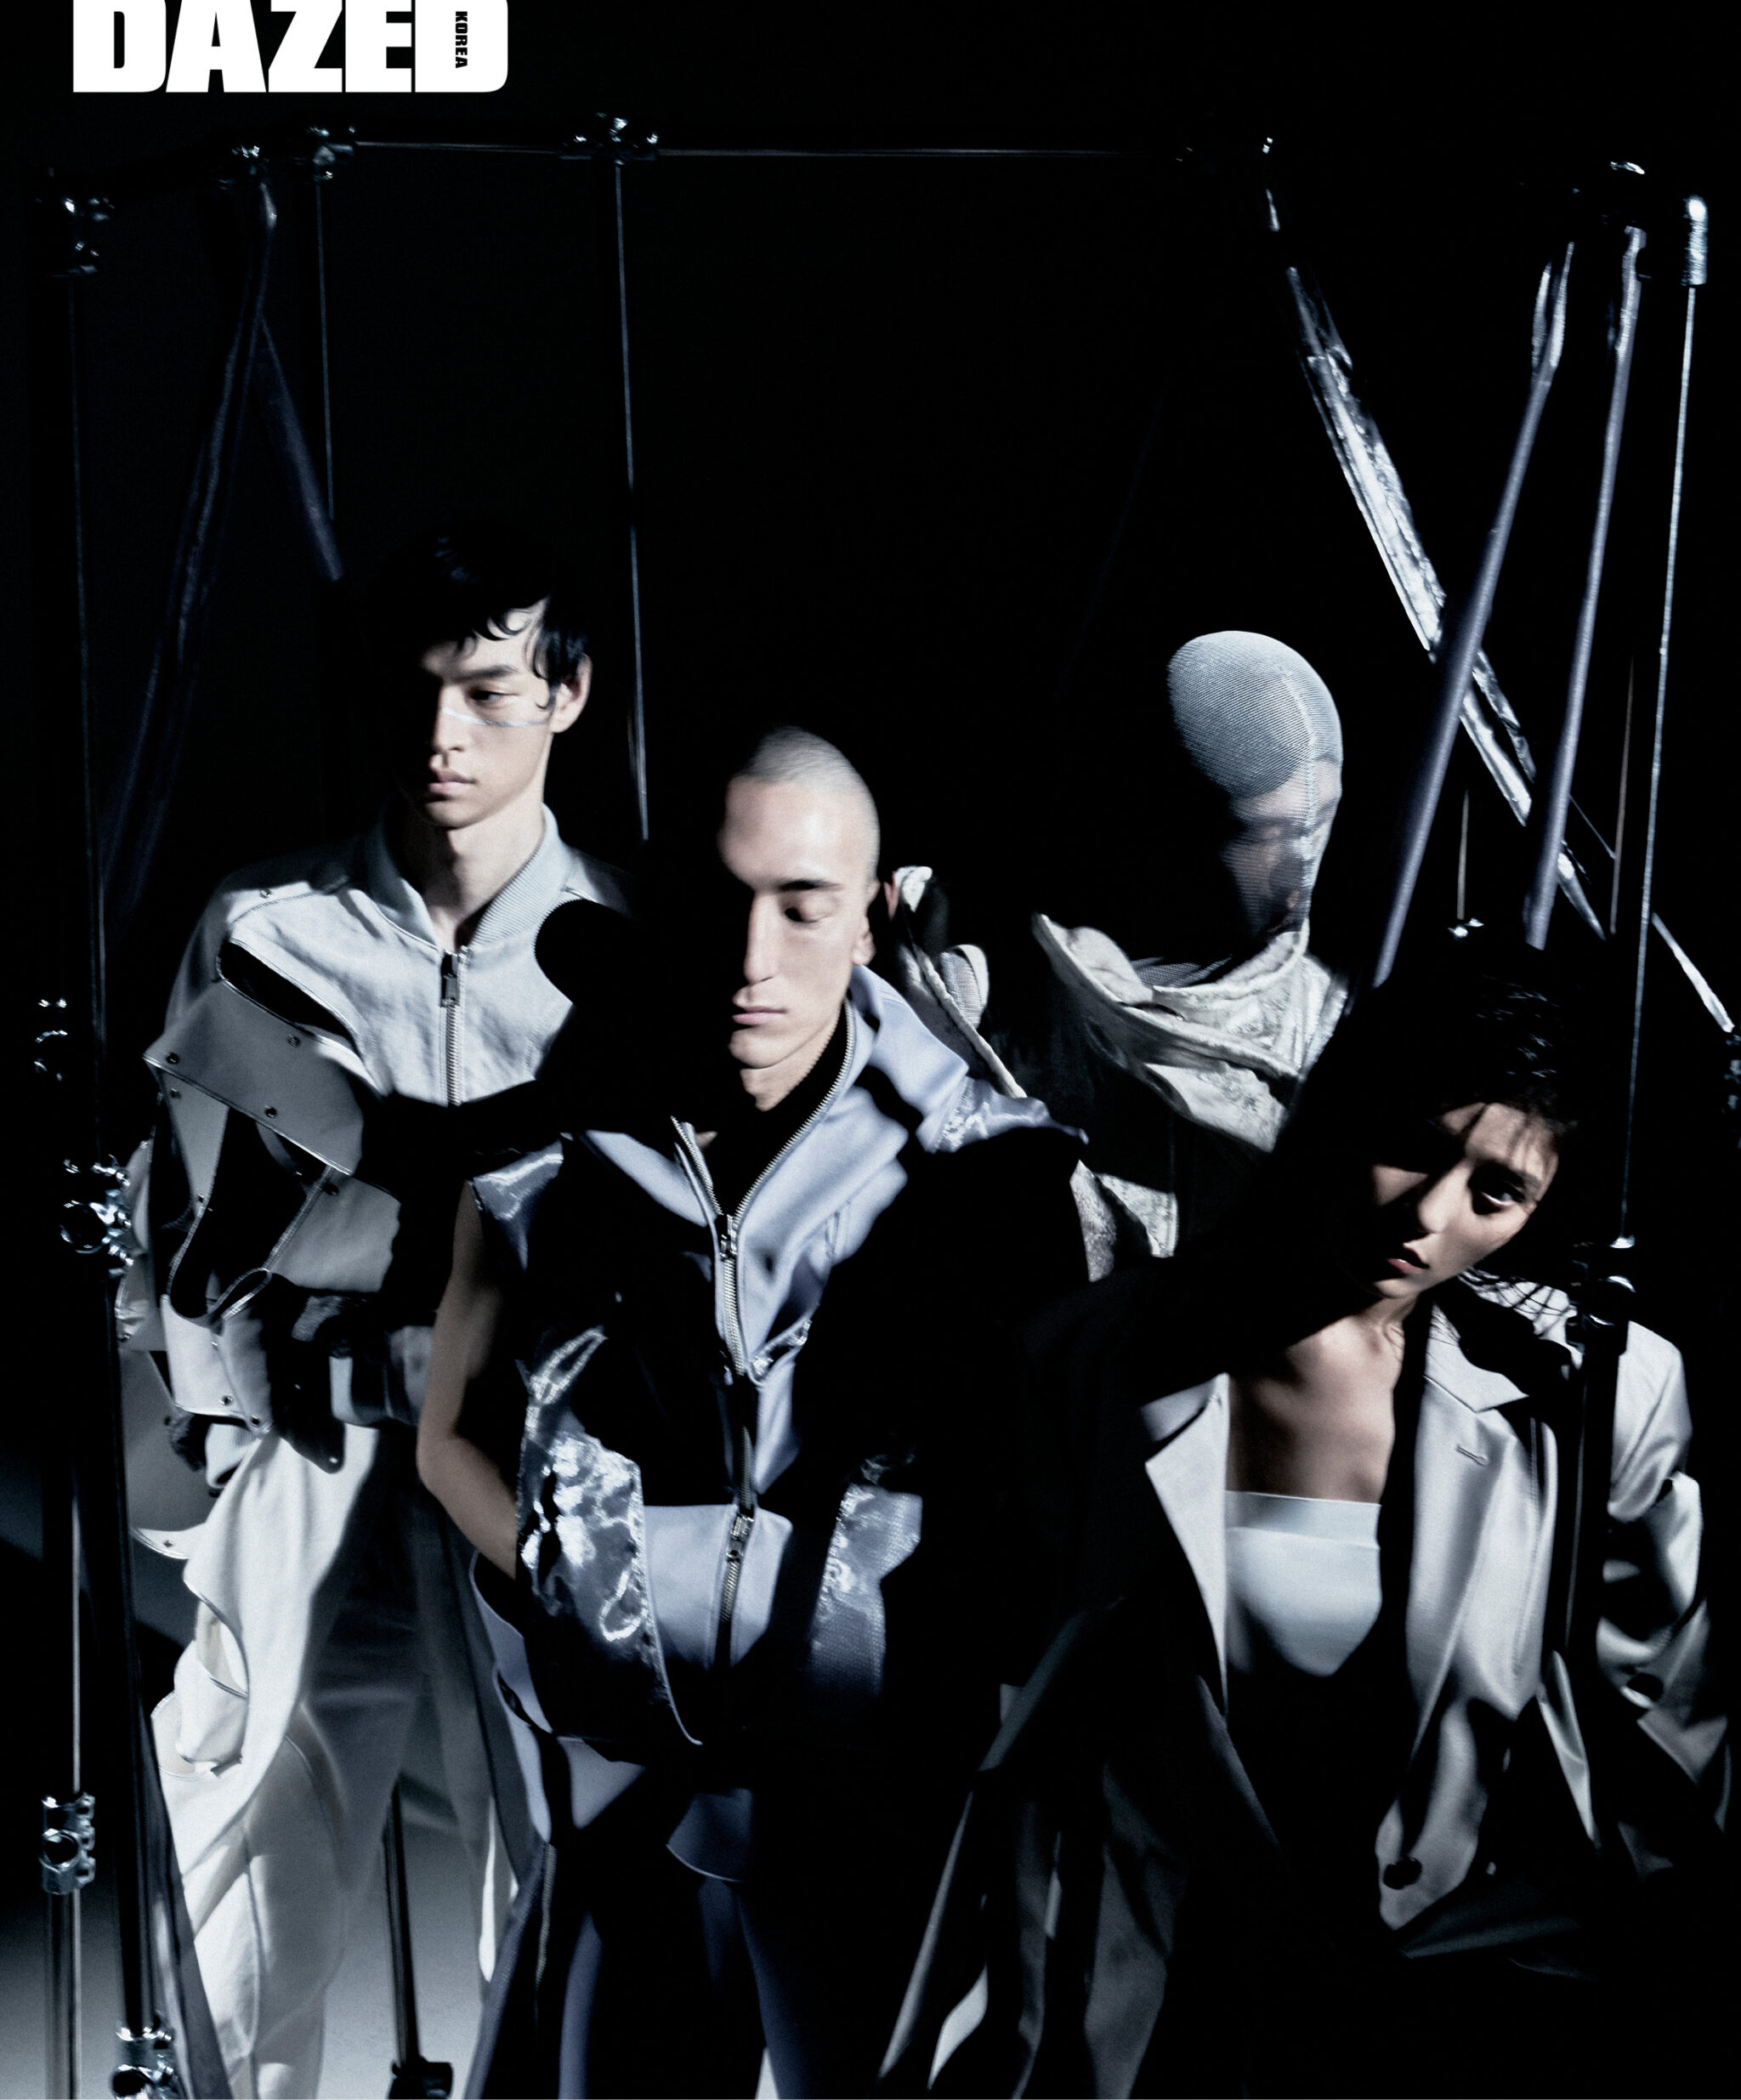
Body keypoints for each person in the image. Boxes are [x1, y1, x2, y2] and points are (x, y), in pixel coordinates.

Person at [882, 947, 1726, 2099]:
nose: (1428, 1215)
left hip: (1445, 1999)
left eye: (1495, 1193)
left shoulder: (1589, 1397)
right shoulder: (1096, 1357)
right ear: (1342, 1106)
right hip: (1141, 1981)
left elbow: (1667, 1735)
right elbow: (1012, 1682)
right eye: (1413, 1145)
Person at [417, 727, 1088, 2098]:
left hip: (876, 1788)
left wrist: (901, 1640)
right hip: (625, 1773)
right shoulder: (548, 1152)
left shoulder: (990, 1174)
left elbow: (1047, 1492)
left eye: (803, 906)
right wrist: (589, 1590)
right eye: (721, 902)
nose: (751, 959)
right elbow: (450, 1435)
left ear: (875, 913)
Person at [120, 519, 629, 2099]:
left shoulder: (631, 944)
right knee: (245, 1842)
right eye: (413, 692)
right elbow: (176, 1224)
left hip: (541, 1458)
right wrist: (208, 1451)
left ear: (564, 693)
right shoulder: (266, 927)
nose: (441, 734)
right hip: (317, 1448)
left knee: (561, 1855)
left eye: (486, 691)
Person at [891, 629, 1346, 1274]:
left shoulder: (1328, 1020)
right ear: (1178, 828)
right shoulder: (984, 974)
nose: (1299, 860)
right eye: (1265, 832)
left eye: (1319, 822)